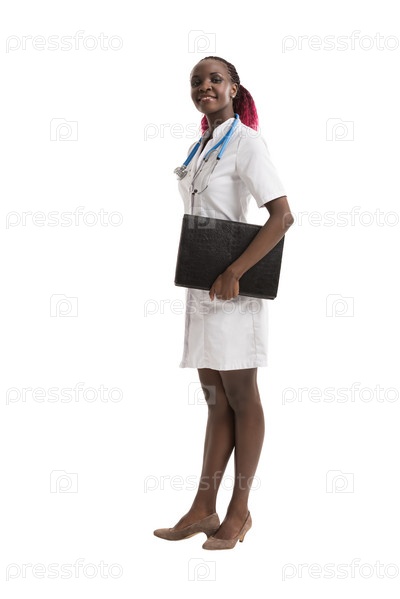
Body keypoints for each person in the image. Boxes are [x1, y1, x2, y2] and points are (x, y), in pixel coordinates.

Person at [154, 56, 294, 550]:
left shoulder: (247, 143)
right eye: (196, 81)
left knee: (241, 397)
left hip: (233, 290)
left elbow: (282, 217)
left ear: (235, 88)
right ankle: (203, 507)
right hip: (201, 287)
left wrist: (235, 271)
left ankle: (240, 510)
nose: (204, 86)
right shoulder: (202, 145)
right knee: (215, 401)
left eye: (215, 79)